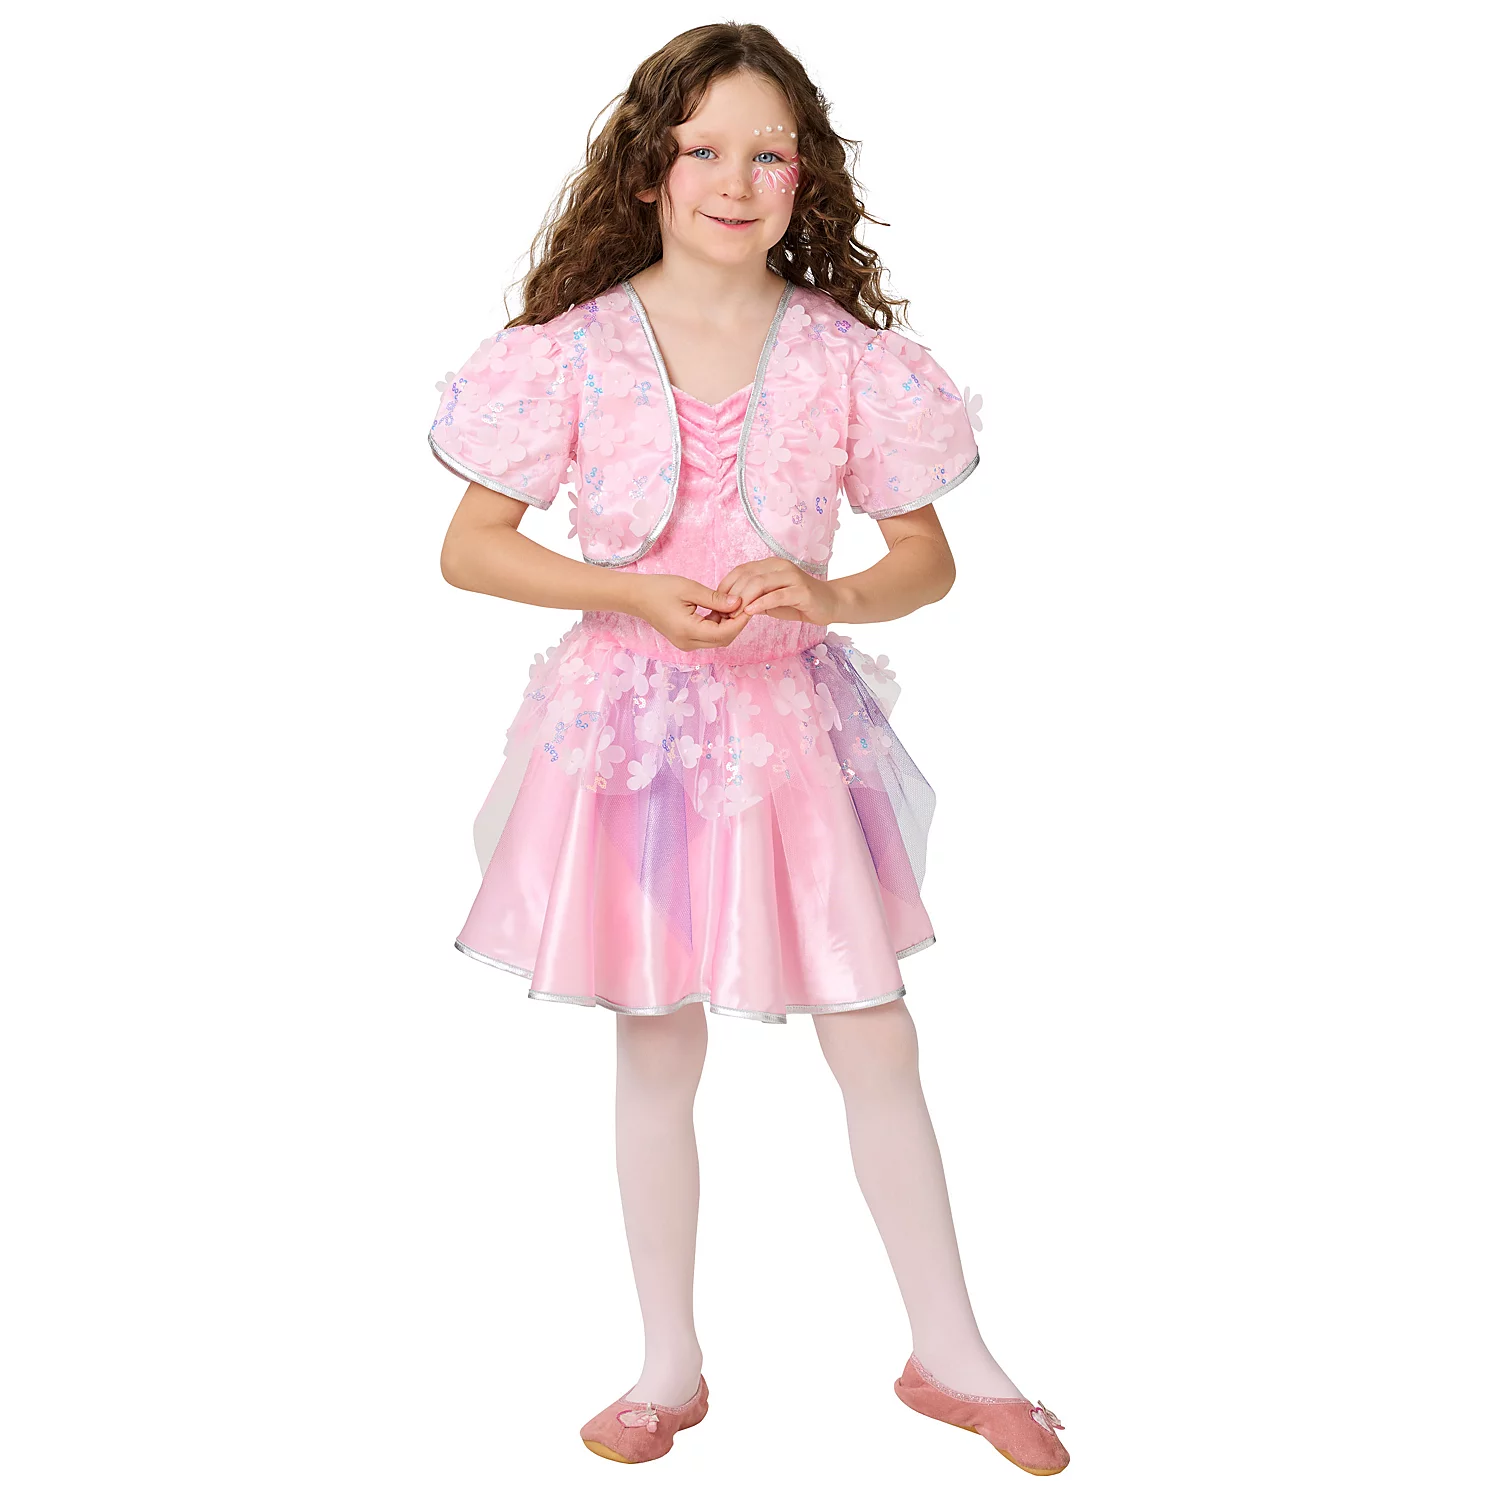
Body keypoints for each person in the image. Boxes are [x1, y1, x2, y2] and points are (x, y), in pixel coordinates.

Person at [428, 22, 1069, 1476]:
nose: (735, 180)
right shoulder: (572, 353)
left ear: (805, 174)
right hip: (632, 741)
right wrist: (626, 591)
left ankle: (952, 1351)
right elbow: (470, 547)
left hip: (788, 737)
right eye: (704, 149)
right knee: (658, 1037)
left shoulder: (845, 358)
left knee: (874, 1029)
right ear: (649, 169)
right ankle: (666, 1362)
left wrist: (833, 597)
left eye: (768, 153)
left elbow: (924, 560)